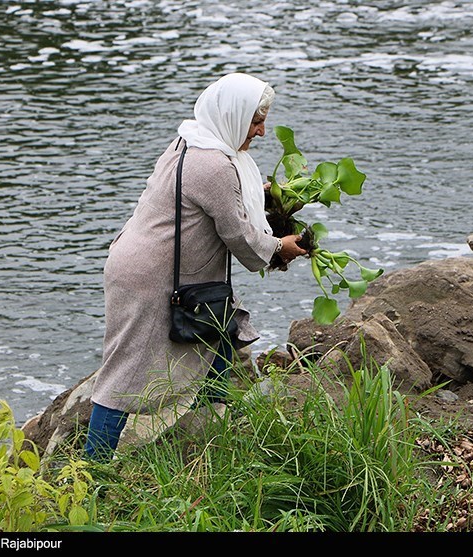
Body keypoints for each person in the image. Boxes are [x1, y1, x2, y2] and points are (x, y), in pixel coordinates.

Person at [83, 72, 306, 461]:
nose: (262, 132)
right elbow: (239, 235)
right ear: (233, 116)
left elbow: (223, 199)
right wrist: (279, 248)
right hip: (151, 278)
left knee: (219, 333)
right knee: (124, 375)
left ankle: (207, 438)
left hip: (151, 264)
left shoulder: (193, 138)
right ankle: (90, 471)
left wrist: (266, 195)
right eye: (256, 121)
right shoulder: (214, 166)